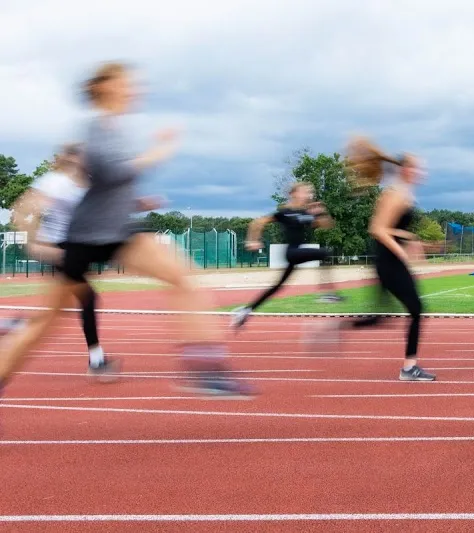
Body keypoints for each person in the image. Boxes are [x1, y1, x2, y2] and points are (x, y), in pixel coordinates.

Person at [0, 62, 252, 400]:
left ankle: (206, 370)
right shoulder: (94, 127)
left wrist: (136, 202)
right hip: (86, 239)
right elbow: (113, 172)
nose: (134, 89)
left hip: (116, 233)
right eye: (126, 83)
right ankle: (202, 370)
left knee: (181, 276)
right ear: (104, 87)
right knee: (42, 326)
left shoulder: (114, 128)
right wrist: (159, 151)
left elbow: (109, 185)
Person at [10, 143, 119, 378]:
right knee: (86, 299)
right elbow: (21, 210)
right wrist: (34, 243)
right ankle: (97, 361)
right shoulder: (54, 182)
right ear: (73, 158)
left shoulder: (83, 185)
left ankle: (16, 327)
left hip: (74, 250)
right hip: (59, 250)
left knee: (57, 310)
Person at [340, 136, 434, 382]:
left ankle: (331, 328)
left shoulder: (402, 193)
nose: (421, 172)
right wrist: (403, 251)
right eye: (416, 167)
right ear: (405, 170)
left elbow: (390, 228)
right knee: (416, 308)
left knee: (380, 318)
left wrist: (408, 237)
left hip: (388, 261)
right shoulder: (395, 194)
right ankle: (408, 368)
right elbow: (378, 229)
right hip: (388, 262)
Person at [231, 182, 339, 329]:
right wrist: (253, 240)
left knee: (277, 287)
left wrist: (320, 212)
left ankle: (245, 311)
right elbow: (258, 222)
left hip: (296, 253)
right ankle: (327, 294)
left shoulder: (306, 214)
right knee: (325, 253)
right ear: (293, 194)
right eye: (304, 192)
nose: (308, 195)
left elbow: (326, 225)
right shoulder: (284, 212)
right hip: (291, 252)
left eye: (309, 193)